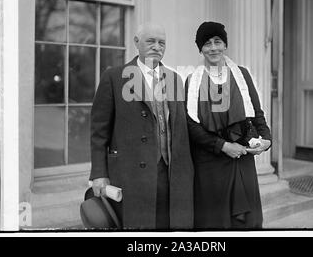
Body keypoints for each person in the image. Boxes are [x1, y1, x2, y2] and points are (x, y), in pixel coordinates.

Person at [90, 22, 194, 230]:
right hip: (132, 174)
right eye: (151, 41)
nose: (157, 46)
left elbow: (183, 128)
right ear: (136, 42)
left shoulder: (175, 80)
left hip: (172, 173)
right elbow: (98, 131)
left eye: (162, 43)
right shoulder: (114, 77)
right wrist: (99, 173)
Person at [185, 21, 272, 229]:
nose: (213, 47)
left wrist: (266, 140)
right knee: (215, 224)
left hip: (241, 161)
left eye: (218, 41)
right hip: (210, 164)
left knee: (249, 223)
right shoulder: (192, 80)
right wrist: (223, 146)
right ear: (200, 48)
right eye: (207, 43)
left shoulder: (242, 75)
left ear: (225, 45)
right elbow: (190, 125)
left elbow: (257, 114)